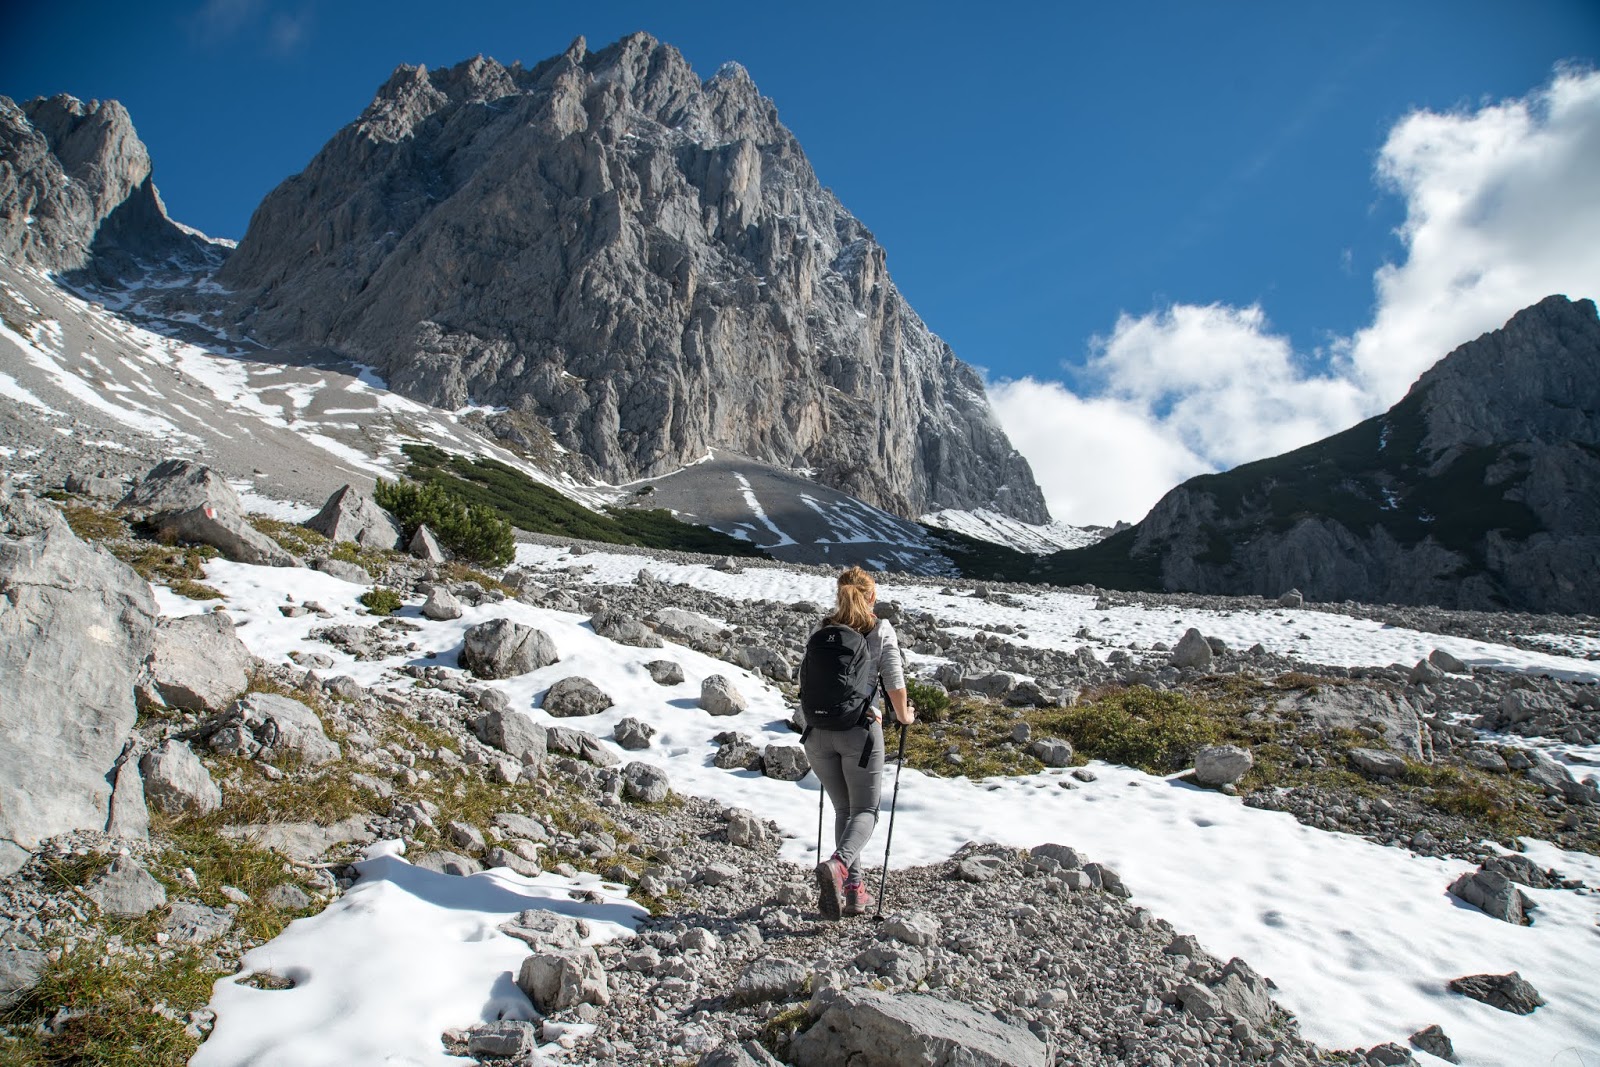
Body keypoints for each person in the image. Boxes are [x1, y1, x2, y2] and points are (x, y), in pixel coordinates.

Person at [803, 566, 915, 919]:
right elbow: (895, 684)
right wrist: (905, 716)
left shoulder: (822, 630)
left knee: (844, 812)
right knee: (865, 811)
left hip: (817, 732)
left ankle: (854, 891)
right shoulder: (880, 629)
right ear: (872, 597)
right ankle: (838, 867)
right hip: (860, 732)